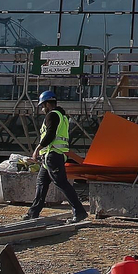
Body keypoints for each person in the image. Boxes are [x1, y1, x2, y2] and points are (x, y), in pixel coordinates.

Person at [25, 90, 89, 223]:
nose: (42, 109)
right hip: (53, 155)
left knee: (61, 183)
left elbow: (50, 135)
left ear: (48, 104)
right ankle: (33, 213)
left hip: (52, 155)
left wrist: (37, 149)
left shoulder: (52, 115)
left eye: (43, 106)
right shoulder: (62, 116)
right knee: (41, 183)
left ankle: (79, 211)